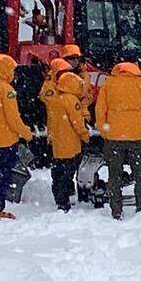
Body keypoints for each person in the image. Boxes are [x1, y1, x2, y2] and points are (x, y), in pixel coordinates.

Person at [95, 60, 141, 220]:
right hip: (138, 135)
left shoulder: (109, 83)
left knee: (114, 175)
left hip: (114, 137)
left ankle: (116, 209)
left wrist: (104, 131)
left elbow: (100, 109)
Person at [0, 54, 33, 220]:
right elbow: (13, 118)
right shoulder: (7, 90)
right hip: (7, 139)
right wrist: (26, 133)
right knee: (3, 176)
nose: (14, 73)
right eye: (12, 70)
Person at [46, 72, 90, 211]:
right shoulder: (72, 100)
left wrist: (51, 137)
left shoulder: (54, 99)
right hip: (70, 144)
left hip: (58, 144)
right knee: (68, 174)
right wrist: (85, 135)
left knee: (59, 174)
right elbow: (77, 122)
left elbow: (50, 121)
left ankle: (60, 200)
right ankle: (65, 202)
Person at [61, 44, 94, 122]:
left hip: (78, 113)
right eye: (72, 58)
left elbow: (85, 96)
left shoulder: (84, 75)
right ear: (65, 59)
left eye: (77, 58)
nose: (75, 61)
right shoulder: (58, 75)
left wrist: (85, 112)